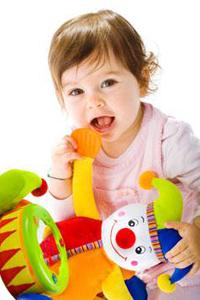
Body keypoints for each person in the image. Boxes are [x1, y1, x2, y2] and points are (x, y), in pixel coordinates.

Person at [47, 9, 200, 299]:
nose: (94, 101)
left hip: (179, 275)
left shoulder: (167, 138)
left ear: (141, 79)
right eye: (76, 91)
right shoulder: (78, 151)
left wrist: (198, 234)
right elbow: (74, 222)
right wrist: (59, 176)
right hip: (121, 283)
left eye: (108, 83)